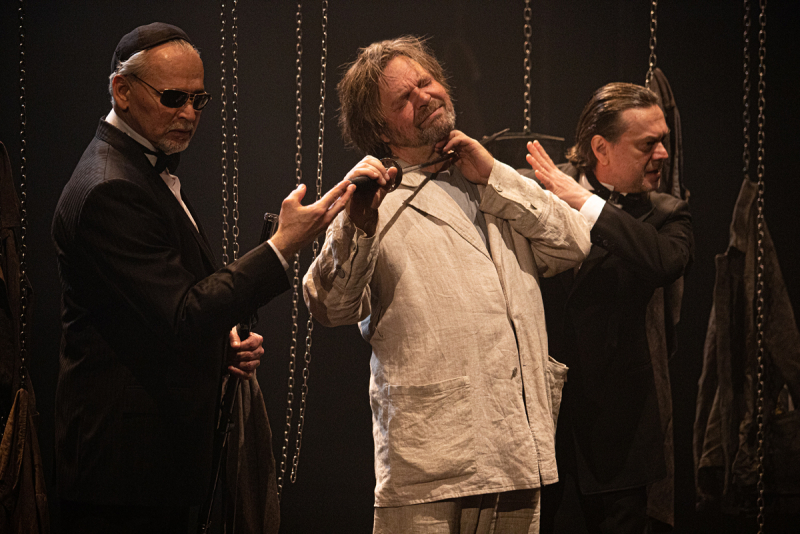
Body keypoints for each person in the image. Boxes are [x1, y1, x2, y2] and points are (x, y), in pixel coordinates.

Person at [51, 22, 354, 533]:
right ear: (122, 91)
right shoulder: (110, 187)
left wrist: (220, 346)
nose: (189, 114)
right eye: (173, 98)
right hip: (123, 477)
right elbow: (184, 313)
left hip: (148, 467)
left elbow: (150, 314)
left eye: (199, 100)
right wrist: (282, 245)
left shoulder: (138, 167)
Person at [303, 36, 592, 534]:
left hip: (516, 446)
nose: (424, 96)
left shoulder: (490, 182)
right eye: (403, 99)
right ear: (380, 129)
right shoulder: (373, 204)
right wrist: (358, 224)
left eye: (426, 81)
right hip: (431, 460)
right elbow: (331, 306)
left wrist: (494, 173)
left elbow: (575, 243)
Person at [525, 82, 694, 534]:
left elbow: (665, 262)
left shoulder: (667, 213)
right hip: (539, 429)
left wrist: (585, 202)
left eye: (663, 141)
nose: (662, 154)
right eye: (648, 144)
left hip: (619, 433)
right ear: (601, 147)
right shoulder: (537, 189)